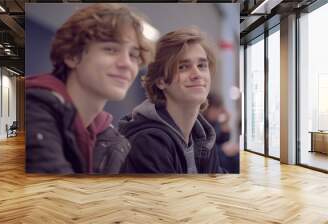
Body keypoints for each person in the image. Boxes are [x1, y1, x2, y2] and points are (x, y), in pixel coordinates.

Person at [25, 3, 153, 174]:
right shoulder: (32, 108)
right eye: (111, 49)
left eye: (133, 55)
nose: (126, 64)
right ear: (72, 56)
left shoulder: (110, 138)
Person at [119, 27, 224, 174]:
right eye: (183, 67)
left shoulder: (203, 137)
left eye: (201, 65)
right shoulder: (148, 143)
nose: (197, 74)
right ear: (161, 81)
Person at [203, 93, 239, 173]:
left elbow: (224, 140)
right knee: (228, 160)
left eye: (219, 108)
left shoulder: (215, 123)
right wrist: (222, 149)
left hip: (217, 152)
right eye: (215, 108)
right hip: (210, 155)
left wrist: (225, 122)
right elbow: (202, 148)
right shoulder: (202, 124)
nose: (218, 112)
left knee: (237, 156)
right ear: (207, 108)